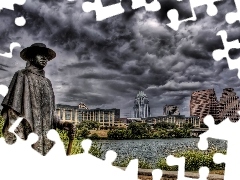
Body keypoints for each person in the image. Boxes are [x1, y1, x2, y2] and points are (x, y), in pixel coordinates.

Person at [1, 43, 75, 155]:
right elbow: (12, 111)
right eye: (40, 55)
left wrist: (62, 123)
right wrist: (13, 140)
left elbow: (50, 113)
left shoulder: (47, 83)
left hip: (47, 144)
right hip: (28, 140)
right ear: (31, 57)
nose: (44, 58)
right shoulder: (22, 76)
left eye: (46, 56)